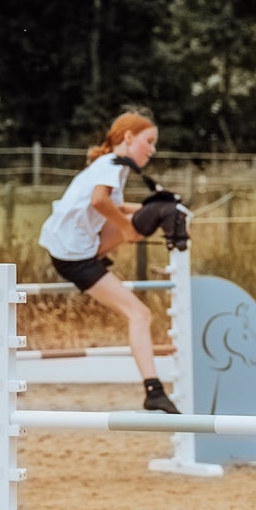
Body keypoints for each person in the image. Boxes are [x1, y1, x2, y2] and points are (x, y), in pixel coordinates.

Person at [37, 110, 184, 413]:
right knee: (139, 315)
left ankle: (108, 252)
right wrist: (130, 228)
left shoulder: (111, 165)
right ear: (128, 138)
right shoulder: (110, 165)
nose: (152, 150)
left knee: (152, 212)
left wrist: (161, 204)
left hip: (76, 245)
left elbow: (113, 205)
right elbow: (99, 202)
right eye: (149, 141)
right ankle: (153, 390)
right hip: (74, 255)